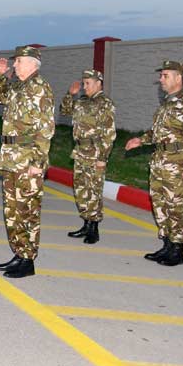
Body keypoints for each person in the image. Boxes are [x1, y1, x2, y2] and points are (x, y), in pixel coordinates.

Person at [125, 60, 183, 266]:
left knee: (176, 206)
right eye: (161, 75)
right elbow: (158, 133)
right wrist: (140, 140)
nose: (160, 79)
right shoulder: (166, 105)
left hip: (178, 163)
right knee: (160, 205)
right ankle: (167, 245)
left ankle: (178, 251)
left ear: (178, 77)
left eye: (165, 75)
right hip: (159, 162)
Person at [0, 46, 54, 279]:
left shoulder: (40, 88)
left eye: (17, 61)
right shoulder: (19, 86)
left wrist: (38, 161)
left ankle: (28, 259)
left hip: (28, 159)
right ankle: (18, 252)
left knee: (27, 210)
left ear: (31, 63)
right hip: (12, 158)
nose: (14, 65)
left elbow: (45, 128)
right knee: (12, 209)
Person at [59, 70, 116, 244]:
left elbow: (109, 133)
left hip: (95, 152)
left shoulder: (105, 103)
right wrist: (70, 94)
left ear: (98, 83)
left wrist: (102, 158)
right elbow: (64, 110)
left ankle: (94, 228)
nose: (84, 87)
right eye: (83, 83)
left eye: (88, 83)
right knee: (81, 190)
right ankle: (85, 223)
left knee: (94, 191)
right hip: (80, 151)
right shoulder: (82, 102)